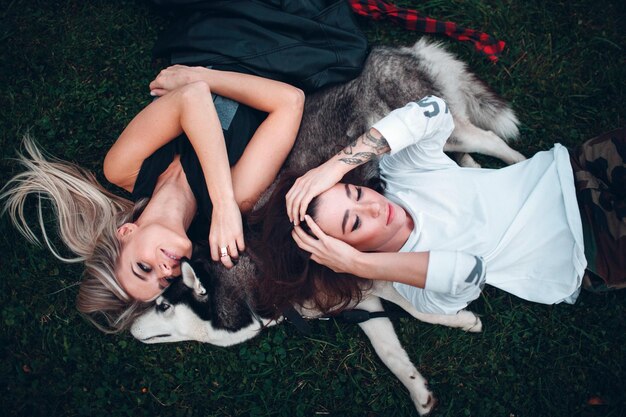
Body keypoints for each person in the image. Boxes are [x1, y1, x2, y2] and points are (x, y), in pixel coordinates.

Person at [254, 96, 625, 317]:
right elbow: (469, 272)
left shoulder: (403, 175)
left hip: (576, 167)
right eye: (354, 225)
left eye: (357, 195)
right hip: (593, 245)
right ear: (342, 252)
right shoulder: (419, 287)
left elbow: (432, 111)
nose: (373, 208)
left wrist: (336, 166)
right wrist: (357, 266)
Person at [2, 65, 304, 332]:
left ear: (126, 233)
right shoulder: (235, 200)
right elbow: (290, 102)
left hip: (208, 29)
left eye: (143, 268)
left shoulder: (123, 168)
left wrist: (223, 205)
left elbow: (192, 99)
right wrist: (203, 76)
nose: (166, 271)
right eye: (164, 282)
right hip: (269, 53)